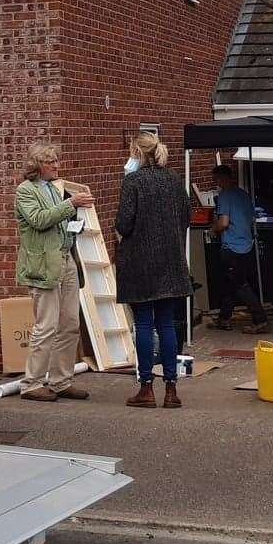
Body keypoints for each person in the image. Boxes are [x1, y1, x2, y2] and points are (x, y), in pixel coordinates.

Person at [114, 132, 192, 409]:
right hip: (171, 261)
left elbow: (123, 224)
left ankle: (146, 388)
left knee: (145, 324)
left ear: (137, 152)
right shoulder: (174, 181)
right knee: (167, 324)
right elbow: (186, 218)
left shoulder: (132, 181)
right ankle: (171, 389)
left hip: (140, 264)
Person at [13, 143, 93, 403]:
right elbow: (39, 220)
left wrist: (75, 222)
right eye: (51, 162)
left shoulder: (52, 189)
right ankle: (32, 383)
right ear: (38, 166)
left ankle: (61, 380)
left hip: (65, 258)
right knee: (45, 326)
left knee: (70, 324)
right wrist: (71, 203)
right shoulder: (26, 191)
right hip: (43, 264)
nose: (57, 166)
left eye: (57, 161)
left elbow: (57, 222)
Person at [210, 163, 268, 334]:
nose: (216, 183)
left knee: (240, 285)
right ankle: (223, 318)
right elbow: (251, 218)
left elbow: (224, 222)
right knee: (231, 283)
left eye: (216, 179)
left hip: (232, 247)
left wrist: (213, 229)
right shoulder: (244, 195)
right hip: (247, 245)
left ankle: (261, 319)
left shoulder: (224, 196)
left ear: (220, 179)